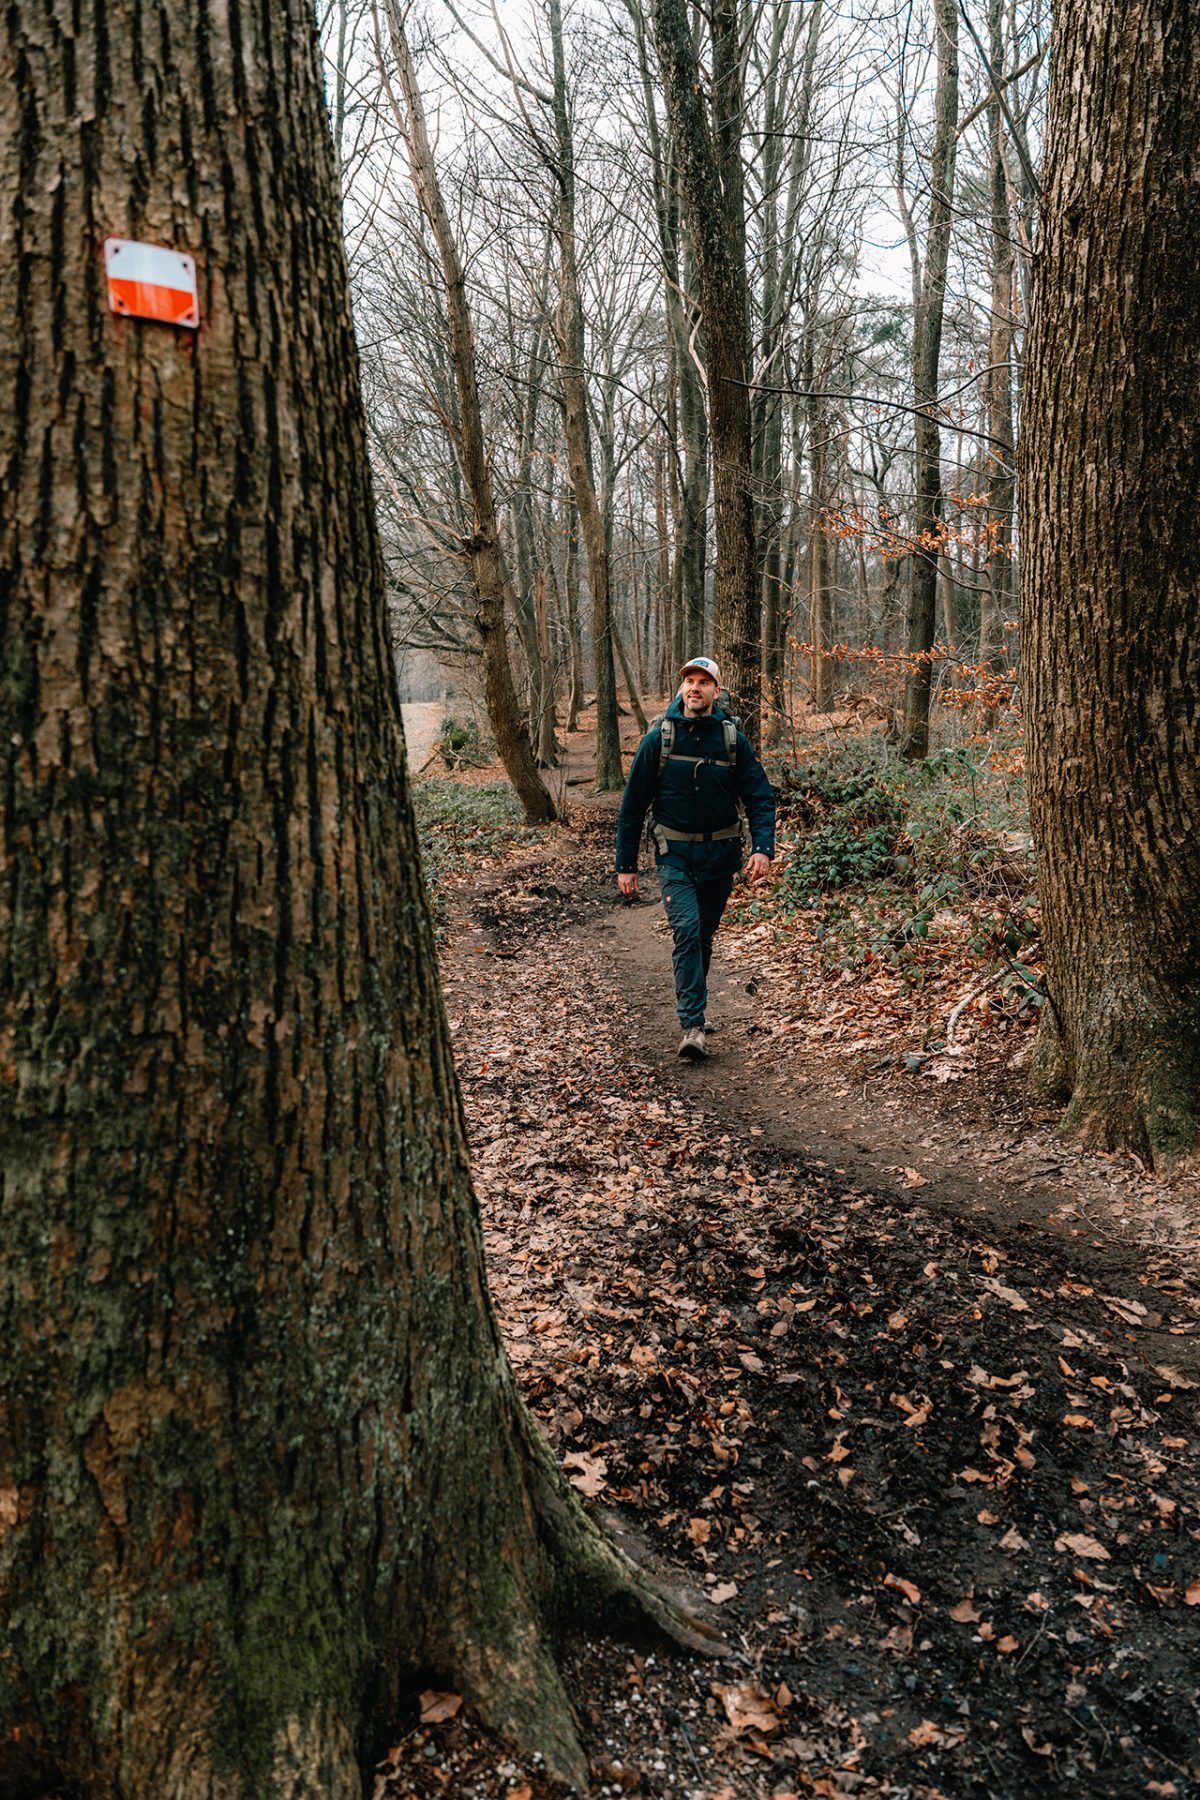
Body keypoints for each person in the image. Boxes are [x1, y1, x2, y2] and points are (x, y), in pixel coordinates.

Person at [615, 656, 776, 1061]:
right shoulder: (660, 738)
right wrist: (626, 864)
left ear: (715, 692)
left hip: (721, 856)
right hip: (675, 855)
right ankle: (693, 1024)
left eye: (704, 682)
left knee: (702, 937)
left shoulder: (732, 739)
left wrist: (762, 848)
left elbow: (760, 797)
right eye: (689, 680)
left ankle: (695, 1008)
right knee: (687, 931)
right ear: (681, 687)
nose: (695, 687)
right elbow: (633, 805)